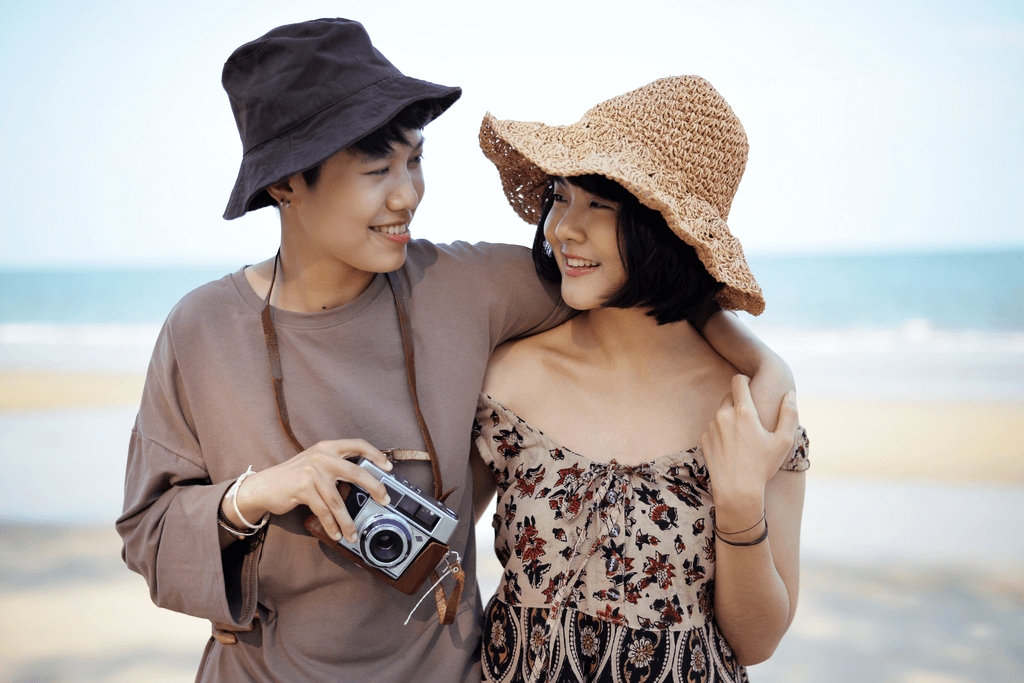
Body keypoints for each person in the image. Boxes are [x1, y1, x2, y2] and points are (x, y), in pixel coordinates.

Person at [116, 20, 792, 683]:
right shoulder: (201, 329)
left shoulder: (466, 288)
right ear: (285, 182)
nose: (407, 193)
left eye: (415, 159)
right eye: (377, 167)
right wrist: (253, 494)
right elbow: (147, 537)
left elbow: (645, 283)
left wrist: (766, 368)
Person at [472, 76, 808, 682]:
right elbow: (431, 553)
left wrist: (737, 508)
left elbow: (756, 643)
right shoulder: (507, 381)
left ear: (668, 228)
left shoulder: (752, 408)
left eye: (600, 205)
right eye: (561, 195)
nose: (563, 228)